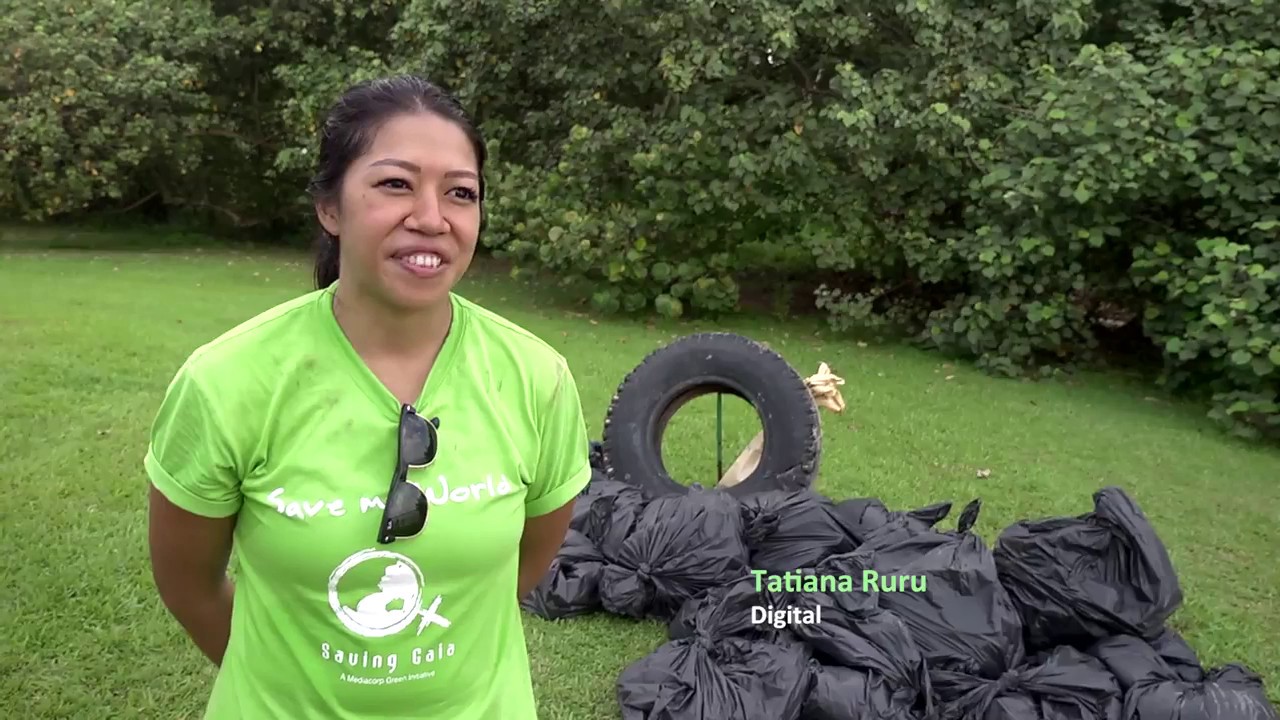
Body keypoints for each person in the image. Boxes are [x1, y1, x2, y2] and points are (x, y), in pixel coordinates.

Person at [144, 74, 592, 719]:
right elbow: (191, 589)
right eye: (394, 184)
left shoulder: (535, 377)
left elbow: (518, 571)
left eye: (460, 193)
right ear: (331, 207)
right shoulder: (227, 381)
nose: (432, 218)